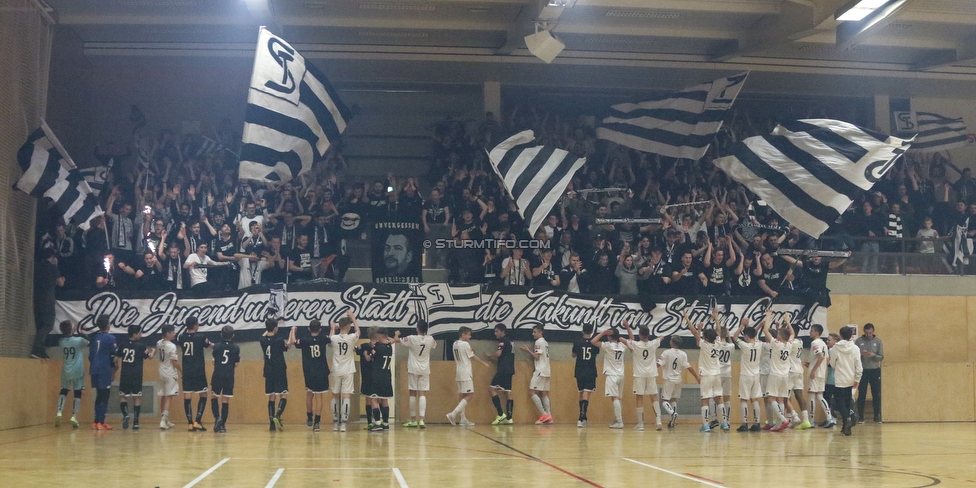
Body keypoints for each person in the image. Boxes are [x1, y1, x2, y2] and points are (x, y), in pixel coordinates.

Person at [686, 309, 725, 432]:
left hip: (707, 375)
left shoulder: (705, 344)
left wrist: (689, 320)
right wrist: (716, 318)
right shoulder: (718, 343)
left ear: (706, 338)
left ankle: (706, 425)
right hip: (717, 374)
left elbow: (694, 334)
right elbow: (718, 332)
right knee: (719, 398)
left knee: (705, 399)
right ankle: (724, 423)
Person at [290, 320, 331, 432]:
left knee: (309, 394)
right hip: (322, 371)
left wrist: (293, 330)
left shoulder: (304, 340)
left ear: (309, 329)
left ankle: (309, 418)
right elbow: (331, 338)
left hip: (309, 371)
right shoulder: (323, 338)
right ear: (320, 329)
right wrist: (332, 328)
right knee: (319, 397)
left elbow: (293, 341)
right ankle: (317, 422)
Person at [447, 326, 490, 426]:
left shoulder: (455, 343)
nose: (470, 336)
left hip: (459, 371)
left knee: (462, 395)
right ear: (463, 335)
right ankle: (452, 414)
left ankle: (463, 419)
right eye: (468, 334)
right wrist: (484, 363)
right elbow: (473, 357)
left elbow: (466, 353)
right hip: (466, 372)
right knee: (470, 395)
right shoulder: (465, 344)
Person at [626, 321, 663, 431]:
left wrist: (628, 327)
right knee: (654, 396)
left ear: (640, 335)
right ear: (648, 334)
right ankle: (659, 421)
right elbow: (662, 336)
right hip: (651, 373)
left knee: (639, 397)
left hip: (639, 374)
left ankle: (641, 424)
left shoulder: (636, 345)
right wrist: (657, 338)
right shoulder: (653, 343)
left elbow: (623, 340)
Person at [657, 335, 699, 428]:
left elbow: (658, 364)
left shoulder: (666, 352)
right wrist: (696, 377)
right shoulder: (683, 354)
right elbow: (689, 367)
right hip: (678, 379)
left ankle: (673, 414)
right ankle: (673, 420)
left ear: (672, 342)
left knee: (664, 400)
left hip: (669, 379)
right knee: (673, 399)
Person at [401, 320, 436, 428]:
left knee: (412, 393)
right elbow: (435, 345)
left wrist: (396, 336)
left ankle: (413, 420)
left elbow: (400, 340)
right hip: (425, 369)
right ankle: (421, 419)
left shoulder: (412, 338)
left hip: (413, 368)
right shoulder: (430, 339)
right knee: (422, 393)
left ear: (417, 328)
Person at [179, 317, 212, 431]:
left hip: (187, 369)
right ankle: (197, 421)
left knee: (187, 396)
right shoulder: (200, 337)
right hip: (198, 370)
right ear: (194, 325)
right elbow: (209, 344)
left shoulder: (181, 337)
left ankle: (189, 423)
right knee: (203, 394)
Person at [116, 325, 152, 430]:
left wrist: (116, 367)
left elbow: (115, 358)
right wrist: (153, 352)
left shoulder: (123, 344)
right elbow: (149, 356)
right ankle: (136, 422)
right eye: (140, 333)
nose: (141, 335)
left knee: (123, 396)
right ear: (135, 334)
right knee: (137, 397)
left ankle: (126, 414)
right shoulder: (141, 345)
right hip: (136, 374)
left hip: (125, 374)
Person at [734, 315, 766, 432]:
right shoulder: (759, 344)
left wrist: (742, 325)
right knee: (755, 399)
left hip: (745, 375)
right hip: (756, 375)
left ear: (746, 336)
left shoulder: (744, 345)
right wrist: (759, 326)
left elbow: (735, 336)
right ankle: (757, 423)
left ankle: (744, 423)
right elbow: (754, 334)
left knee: (744, 399)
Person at [330, 311, 361, 432]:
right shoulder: (351, 338)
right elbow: (358, 332)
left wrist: (332, 328)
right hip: (348, 370)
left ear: (339, 327)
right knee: (346, 395)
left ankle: (335, 422)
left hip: (336, 369)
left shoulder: (334, 338)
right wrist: (353, 318)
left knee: (335, 395)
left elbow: (331, 337)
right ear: (348, 327)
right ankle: (343, 423)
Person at [592, 326, 628, 429]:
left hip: (612, 375)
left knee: (614, 398)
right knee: (618, 398)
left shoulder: (608, 346)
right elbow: (632, 341)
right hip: (621, 374)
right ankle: (618, 419)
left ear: (609, 336)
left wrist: (603, 333)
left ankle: (620, 422)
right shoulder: (622, 345)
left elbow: (593, 341)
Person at [763, 314, 794, 432]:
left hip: (775, 374)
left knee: (771, 398)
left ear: (780, 337)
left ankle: (782, 419)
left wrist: (768, 317)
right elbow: (792, 334)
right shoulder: (789, 345)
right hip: (785, 375)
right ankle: (781, 420)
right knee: (780, 399)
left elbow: (765, 330)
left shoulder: (776, 344)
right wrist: (788, 321)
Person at [830, 326, 863, 436]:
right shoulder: (855, 348)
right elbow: (859, 366)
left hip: (839, 379)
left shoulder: (836, 348)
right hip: (850, 379)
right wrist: (857, 379)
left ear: (840, 335)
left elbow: (832, 363)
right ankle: (845, 426)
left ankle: (847, 419)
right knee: (848, 402)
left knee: (840, 403)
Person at [32, 248, 63, 359]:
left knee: (40, 325)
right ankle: (37, 348)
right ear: (52, 257)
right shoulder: (52, 267)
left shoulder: (37, 267)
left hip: (36, 299)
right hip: (48, 299)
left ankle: (40, 350)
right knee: (48, 325)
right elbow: (60, 283)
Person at [55, 320, 86, 428]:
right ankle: (74, 416)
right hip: (78, 370)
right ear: (71, 329)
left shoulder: (61, 341)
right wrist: (80, 331)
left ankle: (59, 412)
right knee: (77, 392)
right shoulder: (79, 340)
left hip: (66, 370)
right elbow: (88, 341)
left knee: (64, 390)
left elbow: (66, 337)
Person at [89, 315, 117, 430]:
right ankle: (101, 421)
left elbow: (90, 356)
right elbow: (113, 355)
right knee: (104, 395)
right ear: (107, 325)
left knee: (99, 394)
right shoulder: (111, 338)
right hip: (104, 369)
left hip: (94, 368)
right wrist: (114, 368)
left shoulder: (94, 337)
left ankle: (96, 421)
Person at [521, 325, 553, 424]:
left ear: (540, 333)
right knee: (543, 392)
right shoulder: (545, 342)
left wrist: (527, 351)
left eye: (535, 332)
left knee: (531, 392)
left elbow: (537, 356)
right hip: (547, 370)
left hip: (540, 370)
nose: (533, 334)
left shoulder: (538, 342)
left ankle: (544, 414)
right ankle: (549, 415)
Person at [210, 326, 240, 433]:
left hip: (217, 375)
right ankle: (222, 425)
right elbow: (236, 363)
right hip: (229, 376)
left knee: (214, 397)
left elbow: (214, 361)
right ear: (233, 335)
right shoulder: (236, 348)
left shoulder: (216, 346)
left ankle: (217, 418)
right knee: (225, 400)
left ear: (221, 335)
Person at [368, 328, 397, 431]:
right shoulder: (389, 347)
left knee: (373, 399)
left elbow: (370, 358)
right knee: (384, 399)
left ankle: (377, 422)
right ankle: (385, 423)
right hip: (387, 375)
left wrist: (371, 348)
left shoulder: (377, 347)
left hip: (378, 376)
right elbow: (391, 340)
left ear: (380, 336)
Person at [486, 324, 515, 425]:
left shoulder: (502, 340)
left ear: (503, 331)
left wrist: (490, 355)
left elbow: (499, 354)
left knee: (491, 389)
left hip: (503, 370)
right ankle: (510, 418)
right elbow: (504, 358)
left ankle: (500, 414)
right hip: (510, 369)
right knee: (508, 392)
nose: (495, 333)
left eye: (497, 331)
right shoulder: (511, 342)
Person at [855, 323, 884, 423]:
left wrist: (873, 355)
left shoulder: (878, 342)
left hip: (875, 370)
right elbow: (854, 356)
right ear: (864, 331)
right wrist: (860, 354)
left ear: (873, 331)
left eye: (870, 333)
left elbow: (881, 357)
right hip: (863, 370)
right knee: (862, 394)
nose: (868, 335)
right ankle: (861, 417)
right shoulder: (859, 341)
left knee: (876, 393)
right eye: (867, 333)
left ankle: (876, 416)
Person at [805, 324, 832, 430]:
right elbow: (827, 359)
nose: (810, 333)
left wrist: (813, 369)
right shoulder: (824, 344)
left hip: (815, 373)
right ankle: (829, 418)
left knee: (811, 396)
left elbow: (820, 357)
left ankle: (811, 421)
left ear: (816, 332)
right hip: (822, 373)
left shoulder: (815, 342)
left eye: (811, 331)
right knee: (820, 396)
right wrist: (811, 363)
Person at [572, 323, 599, 427]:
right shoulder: (594, 343)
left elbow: (573, 355)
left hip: (579, 370)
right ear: (592, 331)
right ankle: (581, 417)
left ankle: (582, 417)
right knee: (586, 394)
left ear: (582, 331)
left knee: (582, 393)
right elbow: (595, 353)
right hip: (590, 370)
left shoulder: (577, 342)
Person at [157, 324, 180, 430]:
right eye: (172, 332)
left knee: (163, 395)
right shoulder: (171, 346)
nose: (174, 334)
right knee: (169, 397)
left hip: (161, 371)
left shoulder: (159, 343)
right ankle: (162, 421)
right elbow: (174, 362)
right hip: (170, 372)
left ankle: (165, 419)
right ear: (167, 334)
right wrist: (181, 370)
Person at [788, 323, 810, 429]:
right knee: (799, 395)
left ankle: (793, 416)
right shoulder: (800, 341)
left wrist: (787, 322)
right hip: (799, 370)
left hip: (791, 370)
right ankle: (805, 420)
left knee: (783, 396)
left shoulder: (791, 343)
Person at [355, 330, 377, 429]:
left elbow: (354, 349)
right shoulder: (380, 346)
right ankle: (379, 421)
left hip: (366, 375)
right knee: (378, 399)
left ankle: (370, 422)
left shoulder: (364, 346)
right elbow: (355, 349)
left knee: (368, 399)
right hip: (376, 375)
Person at [821, 332, 841, 428]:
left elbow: (832, 364)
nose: (827, 341)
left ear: (835, 341)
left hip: (831, 379)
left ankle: (832, 418)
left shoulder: (832, 350)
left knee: (826, 399)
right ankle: (831, 417)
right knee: (833, 399)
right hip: (837, 379)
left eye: (829, 340)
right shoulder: (838, 350)